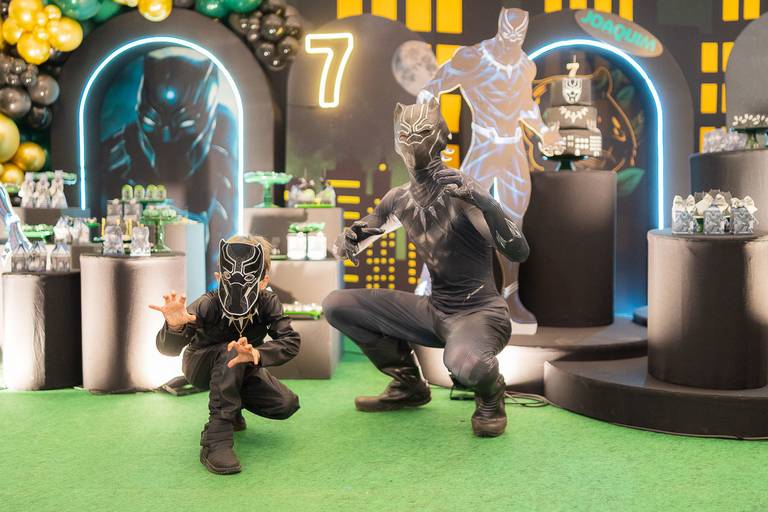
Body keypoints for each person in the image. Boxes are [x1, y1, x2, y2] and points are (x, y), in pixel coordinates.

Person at [323, 100, 530, 437]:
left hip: (480, 313)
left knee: (467, 364)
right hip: (435, 309)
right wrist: (346, 241)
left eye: (422, 132)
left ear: (441, 136)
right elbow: (349, 245)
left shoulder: (462, 193)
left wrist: (488, 203)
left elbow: (518, 251)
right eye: (405, 134)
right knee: (337, 304)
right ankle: (408, 384)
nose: (412, 141)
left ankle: (491, 395)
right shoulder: (398, 199)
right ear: (396, 140)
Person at [417, 7, 564, 335]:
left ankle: (510, 297)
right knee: (456, 215)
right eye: (509, 32)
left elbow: (524, 105)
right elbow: (433, 86)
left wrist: (544, 131)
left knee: (512, 224)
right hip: (484, 146)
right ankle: (428, 285)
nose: (513, 39)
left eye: (519, 34)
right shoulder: (474, 58)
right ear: (500, 27)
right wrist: (430, 123)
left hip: (513, 151)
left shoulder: (525, 65)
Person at [151, 235, 300, 475]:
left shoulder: (268, 302)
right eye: (230, 276)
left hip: (243, 367)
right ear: (220, 277)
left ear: (263, 282)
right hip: (200, 365)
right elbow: (168, 350)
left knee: (285, 404)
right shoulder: (207, 303)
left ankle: (233, 407)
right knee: (231, 350)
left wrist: (256, 353)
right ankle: (215, 438)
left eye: (249, 277)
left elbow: (290, 341)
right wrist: (175, 326)